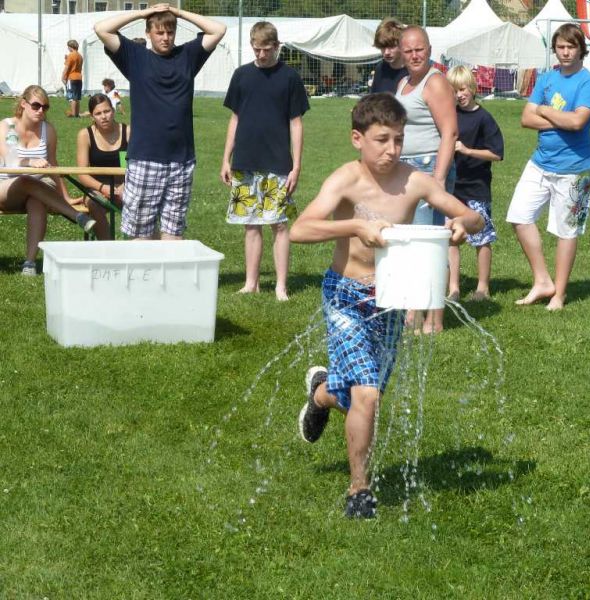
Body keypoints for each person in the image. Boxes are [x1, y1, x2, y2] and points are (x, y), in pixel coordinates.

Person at [289, 93, 483, 519]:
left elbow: (474, 217)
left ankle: (321, 395)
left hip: (392, 301)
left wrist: (461, 225)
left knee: (363, 395)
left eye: (398, 139)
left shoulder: (413, 180)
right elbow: (299, 230)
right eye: (381, 140)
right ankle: (359, 489)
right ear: (357, 139)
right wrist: (356, 224)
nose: (391, 150)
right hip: (344, 295)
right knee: (369, 395)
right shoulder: (345, 181)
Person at [94, 4, 226, 241]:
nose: (165, 38)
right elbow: (102, 29)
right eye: (159, 32)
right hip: (146, 159)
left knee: (173, 235)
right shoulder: (135, 57)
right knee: (140, 236)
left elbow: (218, 29)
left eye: (170, 32)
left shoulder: (188, 55)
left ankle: (169, 280)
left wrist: (180, 13)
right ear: (148, 33)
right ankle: (140, 279)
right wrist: (142, 13)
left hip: (182, 161)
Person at [506, 23, 590, 311]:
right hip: (540, 162)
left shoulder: (588, 83)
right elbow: (526, 118)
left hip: (575, 169)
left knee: (566, 231)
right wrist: (559, 116)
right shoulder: (546, 79)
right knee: (519, 216)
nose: (565, 52)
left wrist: (545, 110)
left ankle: (559, 294)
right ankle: (542, 280)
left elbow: (577, 122)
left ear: (581, 49)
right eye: (560, 47)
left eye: (571, 47)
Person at [220, 21, 308, 299]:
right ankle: (251, 282)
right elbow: (234, 119)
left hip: (278, 162)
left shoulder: (290, 78)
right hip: (245, 162)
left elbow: (296, 123)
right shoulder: (241, 76)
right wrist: (226, 159)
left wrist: (296, 165)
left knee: (280, 224)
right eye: (256, 49)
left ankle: (281, 285)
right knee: (250, 224)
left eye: (266, 50)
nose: (261, 55)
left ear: (277, 46)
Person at [396, 25, 458, 333]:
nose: (414, 55)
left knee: (429, 246)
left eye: (419, 49)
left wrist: (439, 178)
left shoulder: (435, 83)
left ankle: (433, 319)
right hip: (406, 171)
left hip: (429, 168)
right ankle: (413, 313)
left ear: (430, 50)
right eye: (408, 51)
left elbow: (450, 132)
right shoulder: (404, 83)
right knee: (411, 245)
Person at [0, 85, 96, 275]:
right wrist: (29, 161)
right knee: (27, 181)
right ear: (23, 104)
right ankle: (76, 216)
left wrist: (65, 195)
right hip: (7, 187)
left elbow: (53, 165)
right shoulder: (7, 126)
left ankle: (29, 263)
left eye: (45, 107)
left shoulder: (48, 130)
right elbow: (10, 159)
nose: (41, 111)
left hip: (40, 188)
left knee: (37, 199)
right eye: (36, 106)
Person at [445, 66, 504, 302]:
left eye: (463, 89)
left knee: (481, 236)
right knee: (451, 236)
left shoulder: (484, 118)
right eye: (454, 91)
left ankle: (482, 288)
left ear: (472, 88)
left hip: (476, 186)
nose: (459, 95)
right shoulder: (450, 115)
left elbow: (497, 154)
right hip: (453, 185)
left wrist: (468, 150)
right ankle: (454, 288)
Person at [75, 93, 130, 240]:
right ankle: (107, 247)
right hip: (96, 188)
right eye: (98, 113)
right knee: (94, 203)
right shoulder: (85, 135)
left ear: (113, 110)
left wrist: (124, 186)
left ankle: (138, 246)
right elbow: (82, 174)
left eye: (107, 111)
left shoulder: (127, 132)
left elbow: (131, 167)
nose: (103, 116)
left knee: (141, 200)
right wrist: (104, 189)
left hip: (125, 186)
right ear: (92, 116)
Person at [369, 17, 407, 94]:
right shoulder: (380, 68)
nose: (386, 52)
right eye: (382, 47)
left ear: (402, 43)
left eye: (391, 46)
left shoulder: (412, 70)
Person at [62, 40, 83, 118]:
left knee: (72, 97)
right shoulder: (80, 56)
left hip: (71, 77)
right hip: (79, 77)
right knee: (77, 97)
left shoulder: (71, 55)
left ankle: (74, 114)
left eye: (68, 47)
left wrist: (63, 76)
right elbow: (75, 65)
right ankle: (77, 114)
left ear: (70, 47)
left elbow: (67, 67)